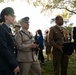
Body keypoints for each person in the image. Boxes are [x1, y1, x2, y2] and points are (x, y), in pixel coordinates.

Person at [0, 7, 19, 75]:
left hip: (9, 65)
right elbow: (3, 48)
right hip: (6, 65)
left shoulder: (7, 29)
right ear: (5, 16)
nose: (14, 17)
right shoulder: (1, 29)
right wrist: (13, 64)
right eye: (12, 15)